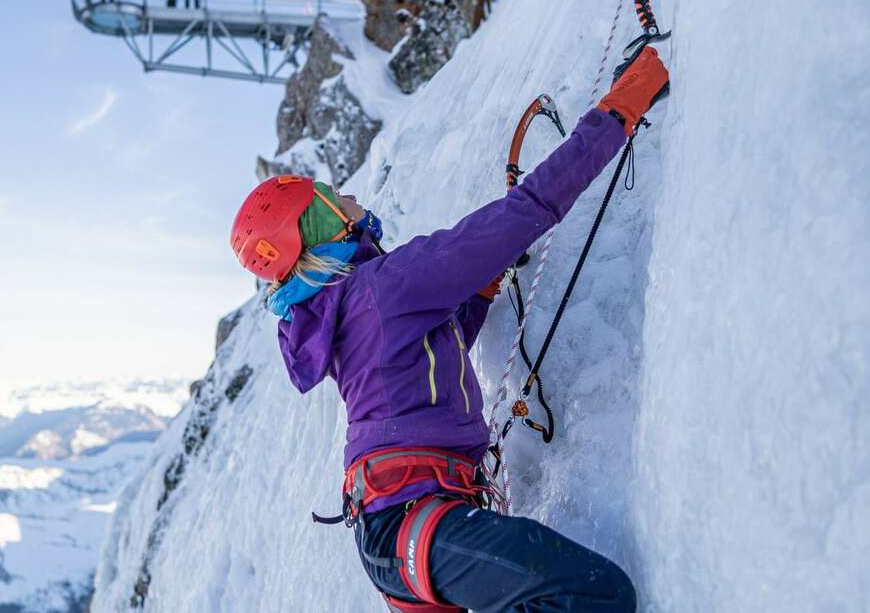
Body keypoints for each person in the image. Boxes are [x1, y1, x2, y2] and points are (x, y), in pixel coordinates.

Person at [229, 47, 669, 612]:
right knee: (592, 592)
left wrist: (479, 291)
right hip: (417, 521)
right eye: (332, 198)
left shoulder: (335, 307)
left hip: (401, 530)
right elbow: (527, 209)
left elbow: (425, 348)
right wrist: (618, 110)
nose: (351, 196)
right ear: (320, 226)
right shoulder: (385, 285)